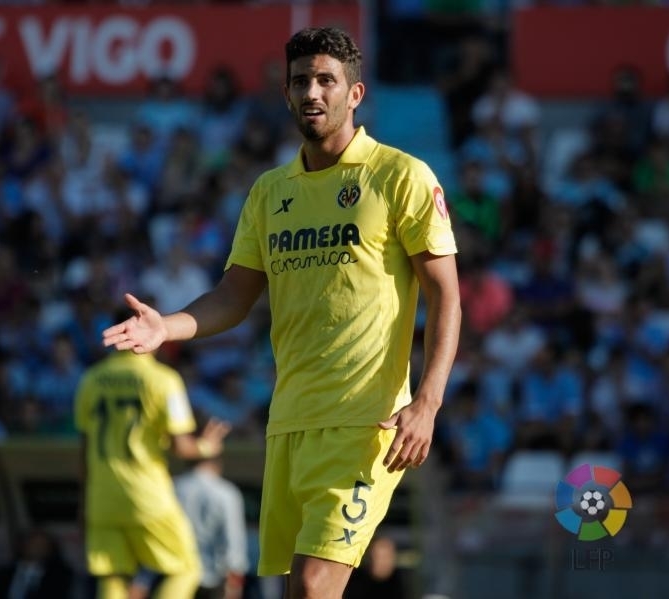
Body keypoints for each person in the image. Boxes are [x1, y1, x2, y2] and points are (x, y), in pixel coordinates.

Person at [103, 27, 461, 599]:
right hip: (289, 423)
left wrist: (428, 401)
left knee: (316, 585)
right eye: (301, 82)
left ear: (355, 93)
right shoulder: (270, 192)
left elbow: (446, 294)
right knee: (300, 591)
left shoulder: (401, 176)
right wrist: (166, 326)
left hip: (366, 424)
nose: (312, 92)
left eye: (326, 80)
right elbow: (233, 296)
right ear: (286, 94)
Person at [75, 314, 232, 599]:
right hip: (146, 495)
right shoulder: (163, 380)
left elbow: (84, 449)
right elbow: (181, 447)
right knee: (186, 569)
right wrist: (207, 447)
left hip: (102, 495)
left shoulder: (90, 379)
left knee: (112, 574)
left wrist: (85, 500)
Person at [175, 452, 250, 599]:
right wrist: (234, 581)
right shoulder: (226, 492)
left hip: (176, 575)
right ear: (217, 463)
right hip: (212, 577)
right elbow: (233, 539)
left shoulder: (174, 488)